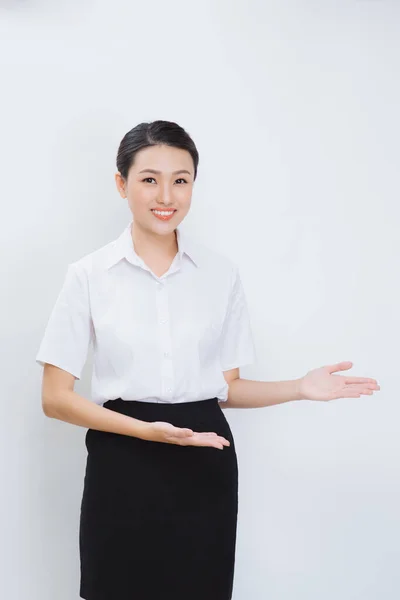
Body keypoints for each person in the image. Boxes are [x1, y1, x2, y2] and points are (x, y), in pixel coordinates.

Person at [35, 120, 380, 600]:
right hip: (122, 454)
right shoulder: (89, 276)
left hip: (205, 453)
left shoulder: (219, 274)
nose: (167, 195)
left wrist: (299, 387)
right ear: (121, 184)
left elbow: (227, 387)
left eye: (181, 179)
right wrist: (145, 431)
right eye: (149, 179)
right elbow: (55, 399)